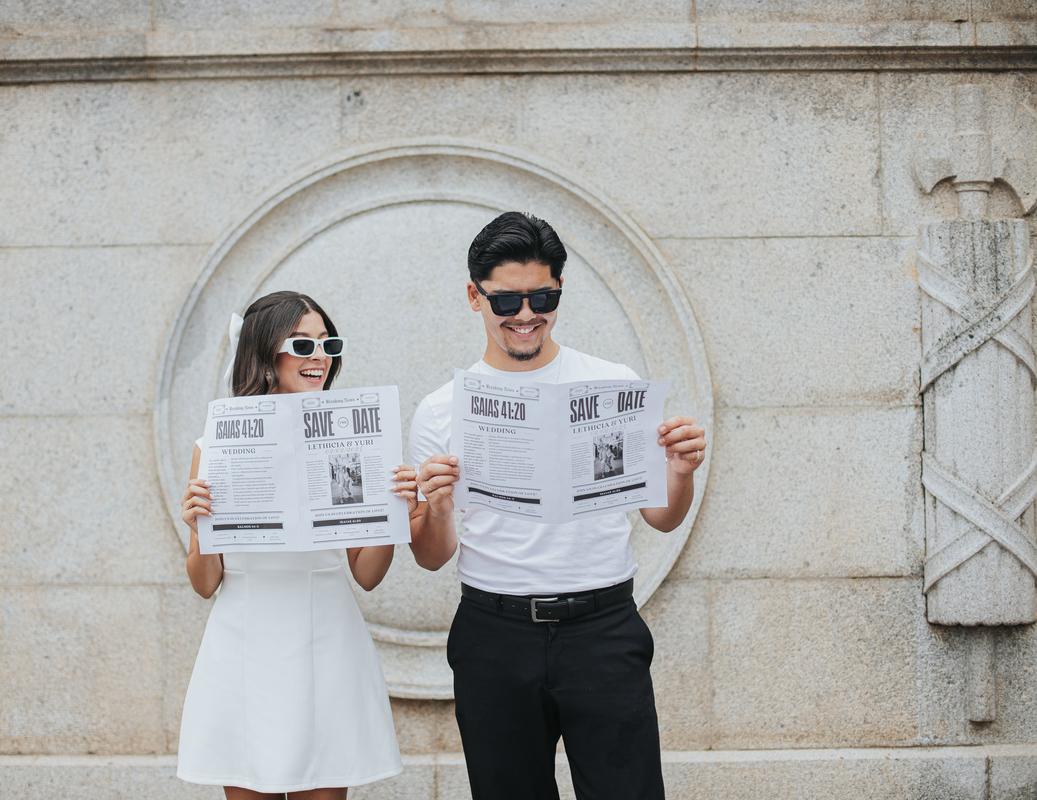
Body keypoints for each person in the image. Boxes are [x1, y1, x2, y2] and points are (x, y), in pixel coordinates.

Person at [408, 212, 707, 800]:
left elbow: (662, 517)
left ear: (560, 290)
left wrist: (680, 471)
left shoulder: (610, 383)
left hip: (603, 627)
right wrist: (437, 508)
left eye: (542, 297)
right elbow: (430, 556)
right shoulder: (440, 410)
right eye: (507, 301)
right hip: (494, 634)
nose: (526, 315)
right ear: (474, 296)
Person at [177, 290, 414, 800]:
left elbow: (367, 575)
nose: (320, 357)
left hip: (326, 635)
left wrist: (392, 515)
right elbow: (204, 583)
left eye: (328, 344)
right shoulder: (213, 446)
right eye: (303, 345)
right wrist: (200, 528)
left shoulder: (349, 441)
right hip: (243, 638)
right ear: (265, 352)